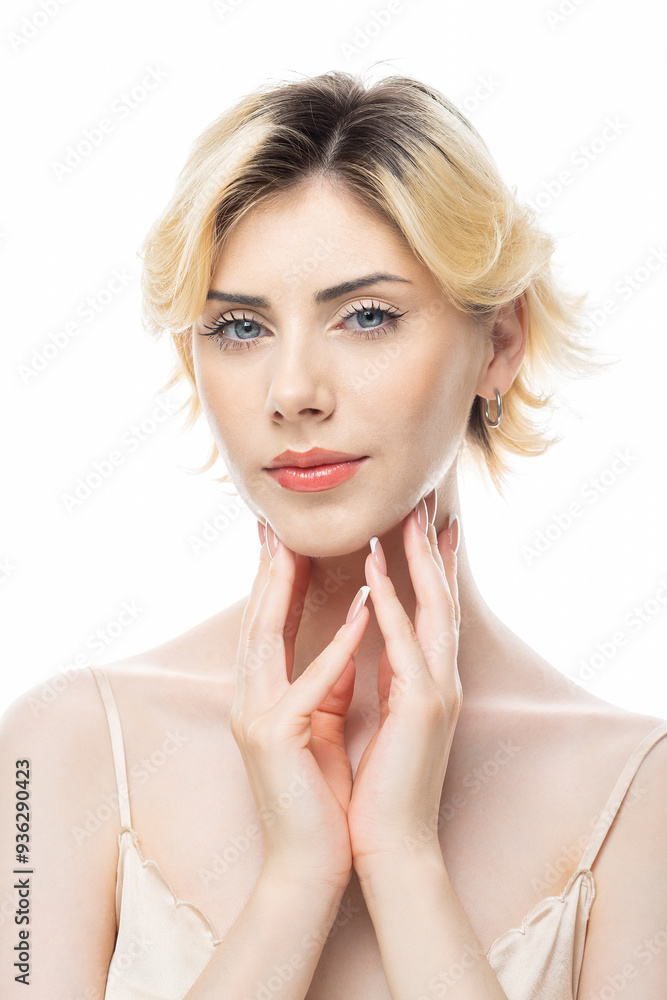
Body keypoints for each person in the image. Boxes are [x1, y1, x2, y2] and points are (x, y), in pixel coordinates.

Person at [1, 68, 665, 1000]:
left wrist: (402, 856)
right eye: (239, 327)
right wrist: (296, 881)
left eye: (366, 316)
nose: (292, 392)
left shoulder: (636, 793)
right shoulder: (58, 752)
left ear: (500, 344)